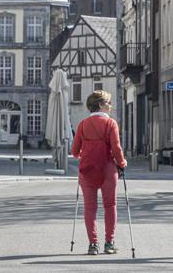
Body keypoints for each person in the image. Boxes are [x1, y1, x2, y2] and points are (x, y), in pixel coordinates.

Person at [71, 90, 127, 255]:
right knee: (110, 206)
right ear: (101, 105)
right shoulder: (111, 124)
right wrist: (122, 162)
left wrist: (86, 152)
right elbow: (116, 148)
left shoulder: (82, 124)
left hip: (87, 170)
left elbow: (74, 151)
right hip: (107, 169)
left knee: (90, 208)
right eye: (108, 103)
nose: (110, 106)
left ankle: (92, 244)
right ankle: (109, 243)